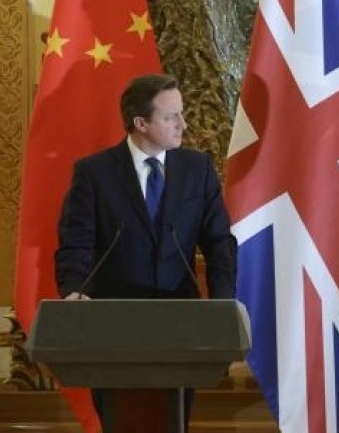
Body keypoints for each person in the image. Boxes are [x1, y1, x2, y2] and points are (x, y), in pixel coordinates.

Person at [54, 73, 237, 429]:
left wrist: (223, 300)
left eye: (181, 114)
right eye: (171, 117)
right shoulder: (95, 173)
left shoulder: (196, 169)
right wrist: (74, 291)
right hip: (114, 324)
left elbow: (219, 242)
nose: (183, 124)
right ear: (141, 123)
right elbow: (75, 242)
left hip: (180, 325)